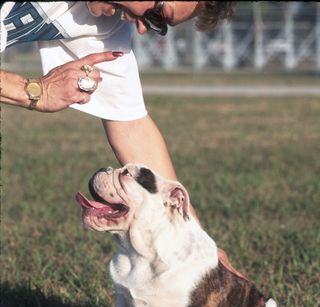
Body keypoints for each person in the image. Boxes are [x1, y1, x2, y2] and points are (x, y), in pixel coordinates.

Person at [1, 1, 243, 277]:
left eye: (157, 23)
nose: (142, 26)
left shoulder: (105, 23)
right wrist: (34, 91)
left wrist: (196, 244)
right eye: (156, 13)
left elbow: (130, 126)